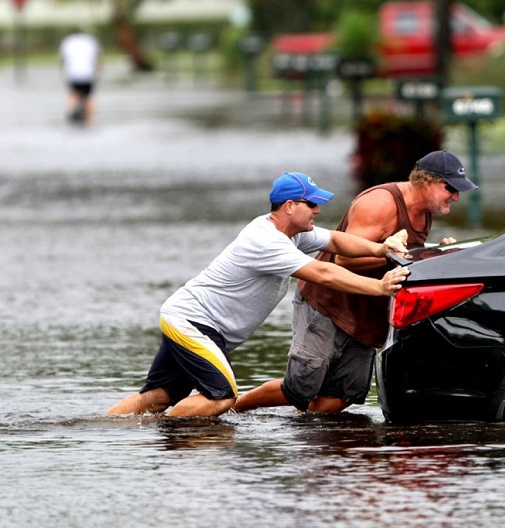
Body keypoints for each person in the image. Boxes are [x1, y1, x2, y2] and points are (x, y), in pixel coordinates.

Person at [106, 172, 411, 418]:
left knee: (159, 397)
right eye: (312, 204)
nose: (318, 210)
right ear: (290, 206)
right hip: (192, 321)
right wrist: (379, 287)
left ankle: (103, 429)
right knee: (221, 397)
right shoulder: (266, 241)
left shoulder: (292, 233)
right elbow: (323, 273)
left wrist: (381, 248)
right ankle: (167, 439)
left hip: (191, 320)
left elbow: (336, 241)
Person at [233, 149, 477, 415]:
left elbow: (405, 256)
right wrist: (408, 256)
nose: (456, 196)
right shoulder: (380, 203)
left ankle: (302, 433)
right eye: (450, 188)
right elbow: (343, 261)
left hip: (365, 309)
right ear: (427, 182)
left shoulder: (425, 210)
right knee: (299, 388)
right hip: (328, 303)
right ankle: (233, 408)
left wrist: (435, 253)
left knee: (344, 395)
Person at [59, 27, 102, 126]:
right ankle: (89, 120)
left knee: (74, 93)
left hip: (73, 73)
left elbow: (63, 59)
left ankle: (72, 109)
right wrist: (98, 70)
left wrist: (62, 71)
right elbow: (96, 58)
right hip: (88, 73)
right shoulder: (90, 41)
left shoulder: (67, 42)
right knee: (88, 96)